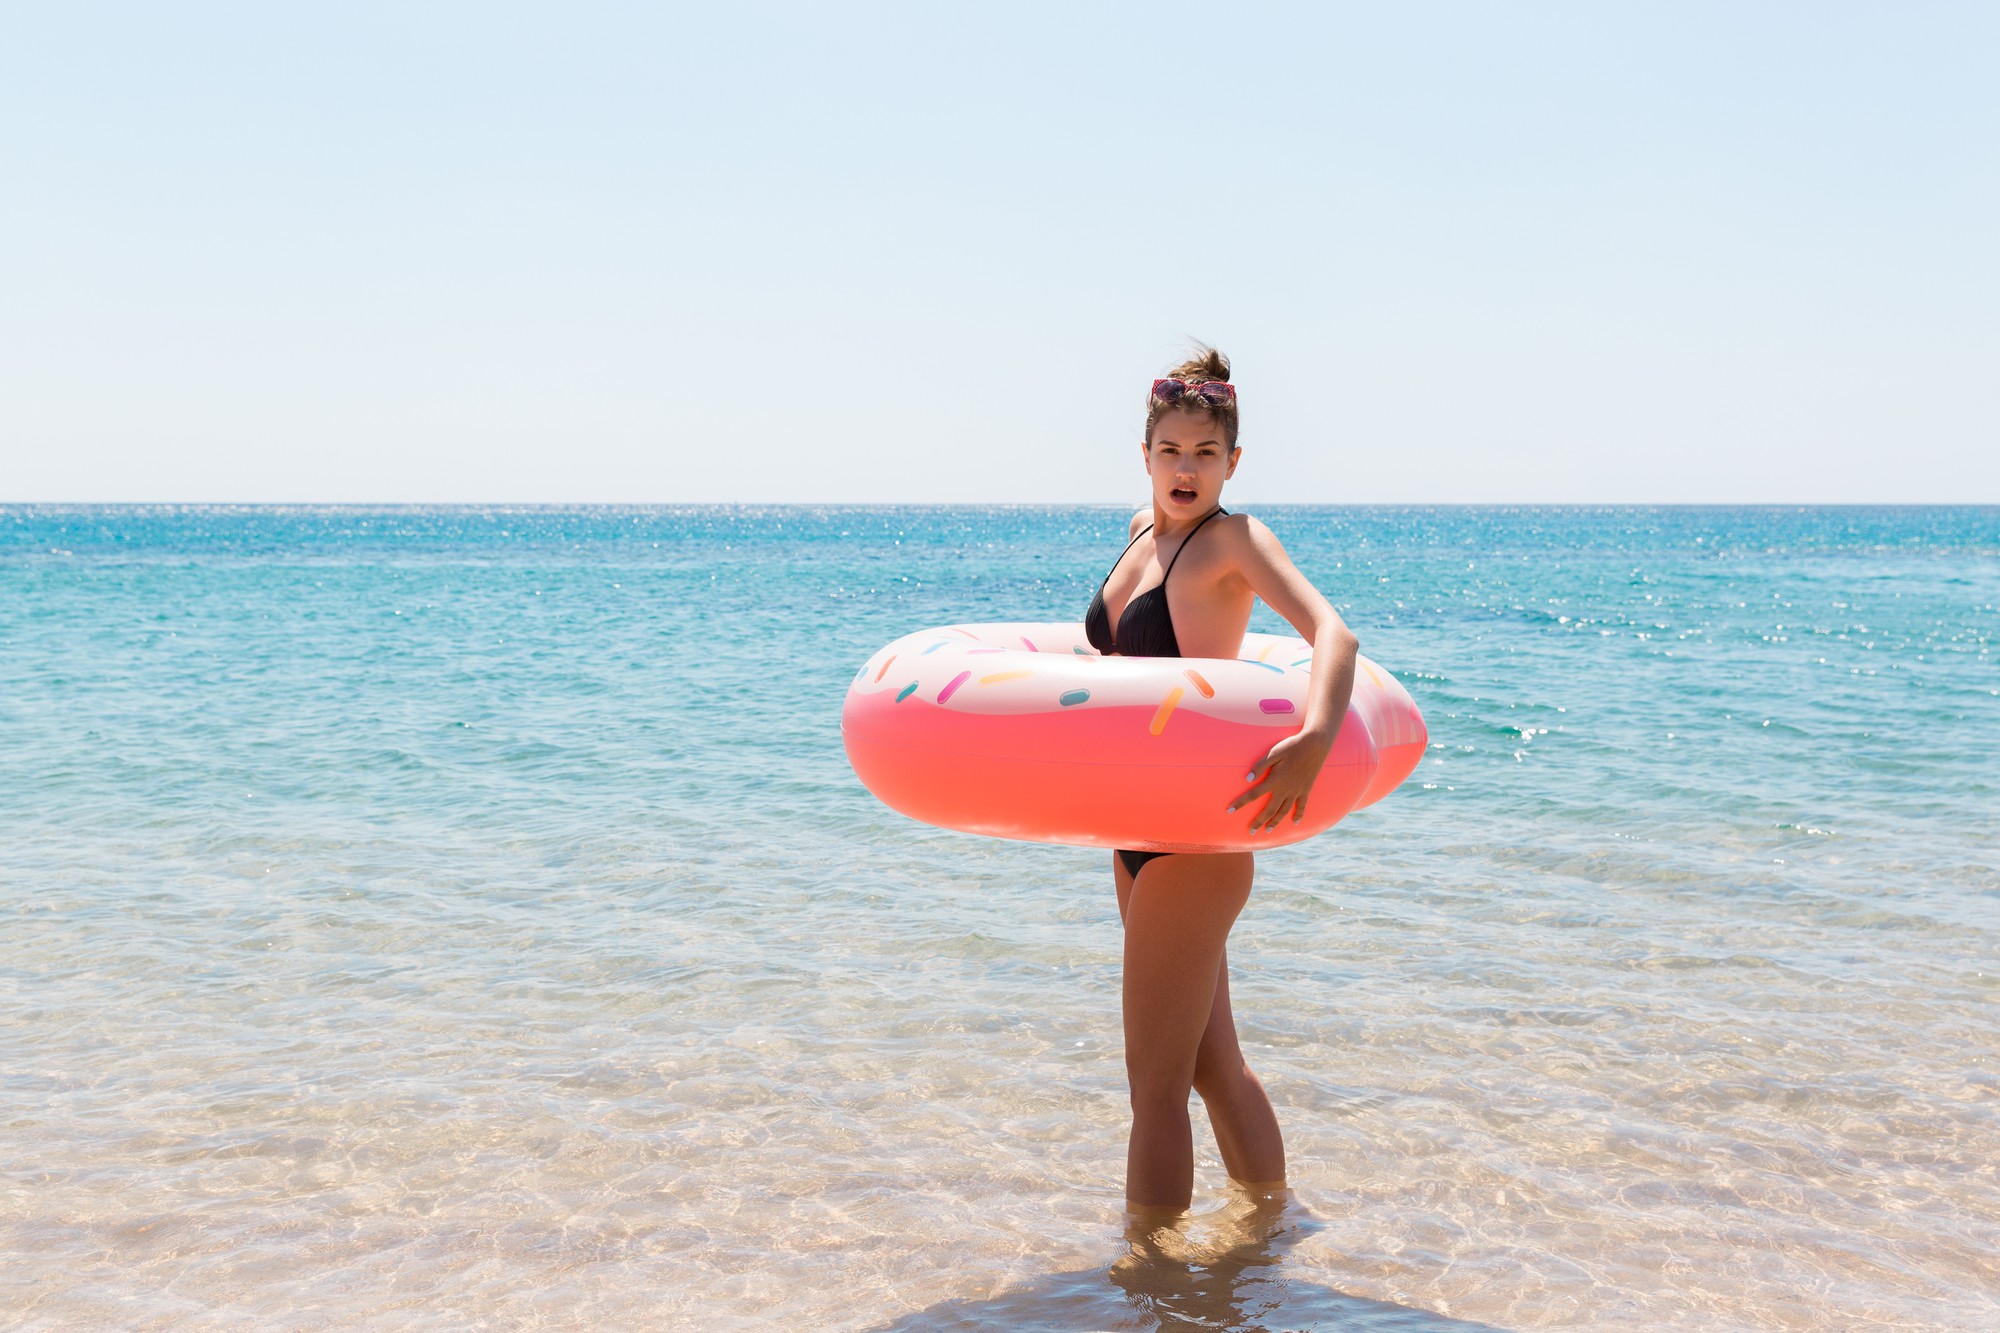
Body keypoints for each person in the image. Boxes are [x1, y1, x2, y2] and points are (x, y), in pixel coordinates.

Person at [1083, 344, 1361, 1215]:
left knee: (1152, 1090)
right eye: (1171, 450)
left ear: (1232, 463)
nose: (1186, 469)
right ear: (1146, 455)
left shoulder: (1234, 541)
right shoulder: (1139, 533)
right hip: (1133, 832)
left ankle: (1150, 1286)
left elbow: (1333, 634)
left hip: (1196, 839)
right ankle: (1272, 1222)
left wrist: (1316, 736)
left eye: (1206, 454)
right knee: (1208, 1065)